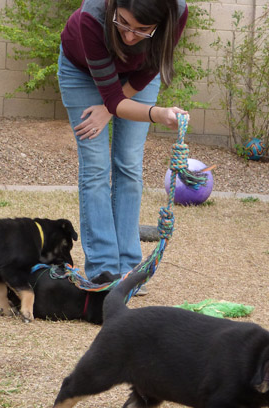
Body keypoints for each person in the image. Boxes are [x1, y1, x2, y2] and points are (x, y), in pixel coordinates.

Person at [58, 0, 189, 289]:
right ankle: (104, 270)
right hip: (82, 72)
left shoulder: (176, 12)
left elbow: (150, 67)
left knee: (129, 164)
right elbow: (114, 100)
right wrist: (155, 114)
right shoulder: (92, 16)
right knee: (95, 166)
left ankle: (129, 270)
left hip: (138, 78)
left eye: (143, 30)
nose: (130, 37)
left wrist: (110, 107)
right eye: (123, 24)